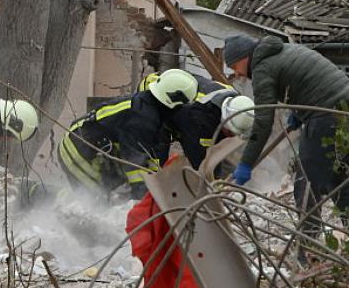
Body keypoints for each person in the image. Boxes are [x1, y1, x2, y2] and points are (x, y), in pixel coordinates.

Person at [223, 34, 349, 221]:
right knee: (337, 175)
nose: (238, 74)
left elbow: (263, 122)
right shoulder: (284, 51)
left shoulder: (262, 68)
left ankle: (306, 245)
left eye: (235, 67)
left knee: (306, 181)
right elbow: (307, 81)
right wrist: (298, 114)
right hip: (343, 107)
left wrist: (246, 163)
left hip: (327, 114)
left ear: (245, 57)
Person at [58, 68, 198, 198]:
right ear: (174, 101)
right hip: (79, 151)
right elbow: (134, 165)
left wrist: (158, 185)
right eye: (183, 107)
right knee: (98, 202)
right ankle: (50, 211)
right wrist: (145, 196)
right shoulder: (143, 119)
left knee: (107, 200)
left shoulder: (152, 111)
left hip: (88, 147)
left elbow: (149, 157)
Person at [140, 71, 253, 169]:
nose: (231, 136)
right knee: (156, 157)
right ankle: (142, 188)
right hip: (157, 93)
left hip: (182, 106)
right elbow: (199, 160)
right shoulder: (201, 118)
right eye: (230, 132)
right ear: (223, 119)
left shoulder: (239, 104)